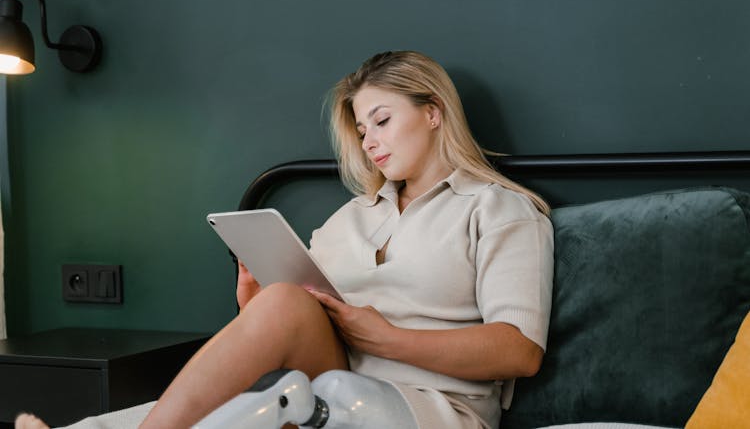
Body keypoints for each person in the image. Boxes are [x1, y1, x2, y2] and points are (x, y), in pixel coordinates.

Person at [16, 50, 553, 429]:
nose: (371, 143)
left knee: (286, 401)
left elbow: (519, 350)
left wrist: (387, 338)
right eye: (362, 131)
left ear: (433, 112)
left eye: (382, 120)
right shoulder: (348, 219)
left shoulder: (499, 209)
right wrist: (258, 311)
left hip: (431, 408)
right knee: (281, 308)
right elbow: (301, 319)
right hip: (327, 379)